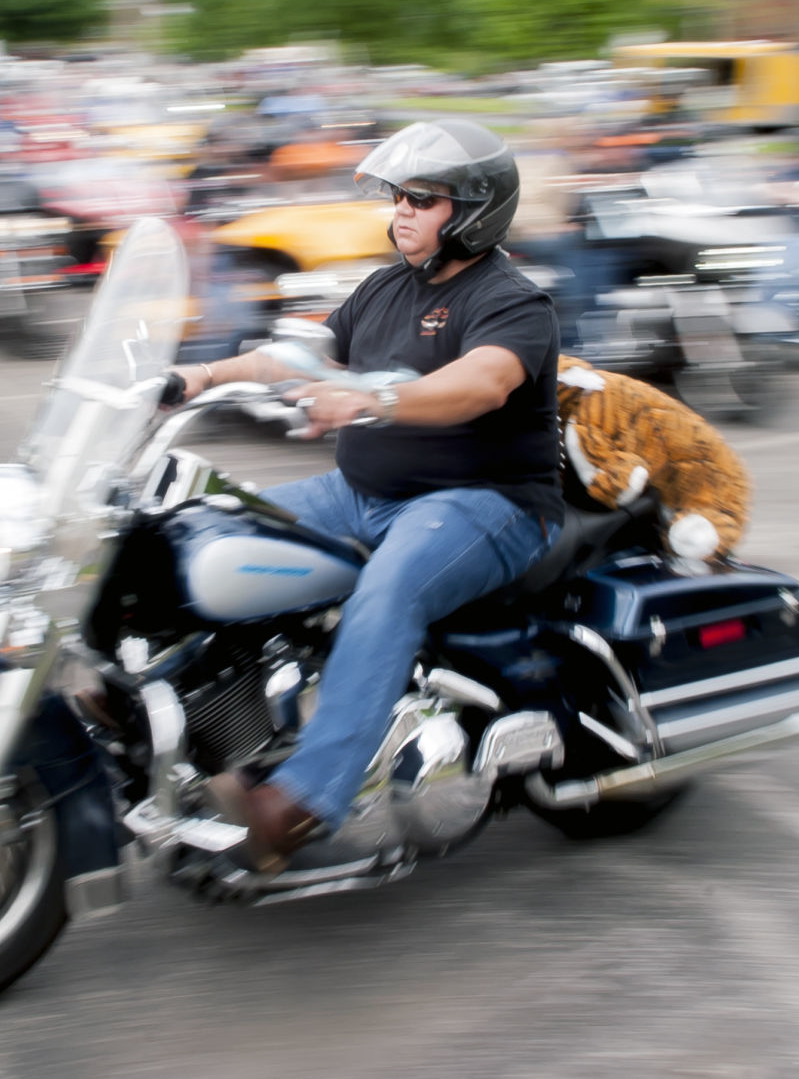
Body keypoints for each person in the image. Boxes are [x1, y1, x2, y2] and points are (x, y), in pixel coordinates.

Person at [164, 118, 564, 873]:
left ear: (473, 210)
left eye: (421, 198)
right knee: (211, 527)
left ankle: (303, 802)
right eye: (397, 197)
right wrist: (197, 378)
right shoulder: (384, 288)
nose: (401, 211)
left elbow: (481, 383)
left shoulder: (511, 301)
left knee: (388, 589)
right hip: (362, 492)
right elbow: (299, 353)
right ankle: (188, 721)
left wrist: (370, 402)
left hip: (485, 504)